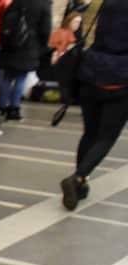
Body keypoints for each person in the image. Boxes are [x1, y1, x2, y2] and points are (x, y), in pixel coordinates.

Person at [63, 0, 128, 209]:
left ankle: (80, 184)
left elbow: (84, 29)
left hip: (91, 71)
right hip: (120, 77)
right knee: (106, 136)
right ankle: (79, 177)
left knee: (89, 132)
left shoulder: (104, 3)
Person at [0, 0, 53, 120]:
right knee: (20, 78)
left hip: (10, 43)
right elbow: (46, 29)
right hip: (30, 45)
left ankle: (1, 107)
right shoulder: (43, 4)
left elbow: (4, 20)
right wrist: (42, 47)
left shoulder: (17, 2)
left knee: (7, 77)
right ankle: (14, 108)